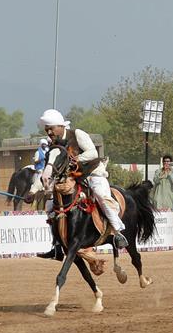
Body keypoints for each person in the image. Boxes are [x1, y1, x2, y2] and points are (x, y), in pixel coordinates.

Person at [31, 108, 128, 259]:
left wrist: (73, 159)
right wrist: (33, 191)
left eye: (50, 128)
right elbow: (48, 169)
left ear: (60, 126)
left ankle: (117, 233)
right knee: (51, 205)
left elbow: (93, 153)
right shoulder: (53, 144)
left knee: (101, 196)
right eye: (46, 129)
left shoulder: (77, 134)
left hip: (93, 173)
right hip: (73, 178)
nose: (48, 132)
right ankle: (56, 246)